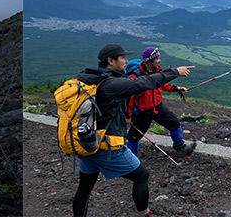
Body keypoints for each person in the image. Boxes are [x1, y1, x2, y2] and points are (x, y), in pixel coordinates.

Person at [73, 43, 194, 217]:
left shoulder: (90, 79)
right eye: (122, 58)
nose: (126, 61)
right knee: (141, 176)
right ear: (110, 60)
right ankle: (144, 213)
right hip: (106, 146)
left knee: (84, 189)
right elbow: (145, 83)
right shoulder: (112, 83)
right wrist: (175, 72)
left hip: (87, 142)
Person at [125, 47, 197, 157]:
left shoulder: (157, 71)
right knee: (134, 137)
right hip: (142, 112)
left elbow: (163, 84)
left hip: (158, 107)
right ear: (149, 60)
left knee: (175, 123)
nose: (159, 61)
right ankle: (130, 160)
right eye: (157, 59)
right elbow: (130, 97)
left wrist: (177, 89)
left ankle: (180, 147)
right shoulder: (135, 76)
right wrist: (128, 115)